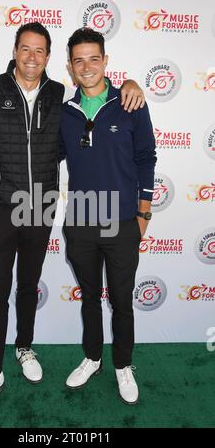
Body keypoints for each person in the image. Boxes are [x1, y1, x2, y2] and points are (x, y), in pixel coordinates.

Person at [0, 22, 145, 415]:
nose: (31, 57)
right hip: (9, 209)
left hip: (47, 206)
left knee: (32, 286)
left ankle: (34, 350)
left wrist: (131, 81)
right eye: (25, 49)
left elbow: (135, 152)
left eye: (39, 50)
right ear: (14, 51)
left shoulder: (61, 96)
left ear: (49, 57)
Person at [60, 28, 157, 405]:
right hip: (81, 221)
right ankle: (93, 357)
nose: (87, 67)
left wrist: (144, 212)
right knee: (89, 298)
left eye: (93, 58)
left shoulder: (130, 102)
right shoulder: (65, 113)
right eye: (79, 60)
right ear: (70, 67)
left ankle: (122, 364)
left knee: (121, 299)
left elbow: (146, 158)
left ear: (105, 61)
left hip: (121, 222)